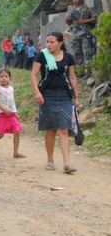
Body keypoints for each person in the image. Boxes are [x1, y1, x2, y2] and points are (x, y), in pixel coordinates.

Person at [31, 32, 79, 174]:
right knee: (51, 129)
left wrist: (76, 97)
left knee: (64, 129)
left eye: (52, 42)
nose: (49, 45)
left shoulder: (68, 57)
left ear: (60, 43)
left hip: (64, 95)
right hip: (47, 95)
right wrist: (37, 93)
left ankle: (67, 164)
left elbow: (72, 77)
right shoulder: (42, 56)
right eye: (47, 42)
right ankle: (50, 160)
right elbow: (33, 75)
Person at [66, 0, 98, 65]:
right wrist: (67, 20)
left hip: (85, 34)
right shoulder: (72, 11)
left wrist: (85, 21)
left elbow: (95, 18)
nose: (75, 0)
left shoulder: (87, 9)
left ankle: (88, 72)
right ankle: (81, 72)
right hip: (75, 34)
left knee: (87, 53)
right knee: (77, 53)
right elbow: (69, 23)